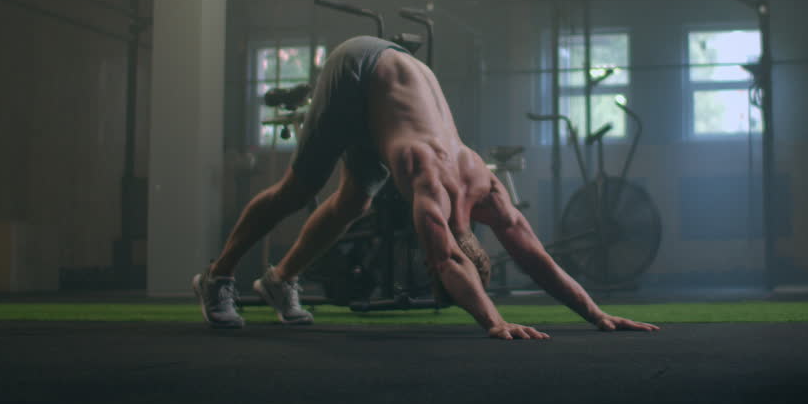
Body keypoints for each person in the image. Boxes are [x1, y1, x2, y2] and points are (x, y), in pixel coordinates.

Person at [193, 35, 659, 340]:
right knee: (297, 190)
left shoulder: (484, 185)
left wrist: (596, 315)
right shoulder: (430, 183)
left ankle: (279, 280)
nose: (433, 269)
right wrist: (493, 322)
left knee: (353, 200)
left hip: (388, 97)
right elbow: (447, 259)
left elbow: (533, 253)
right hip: (359, 66)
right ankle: (217, 277)